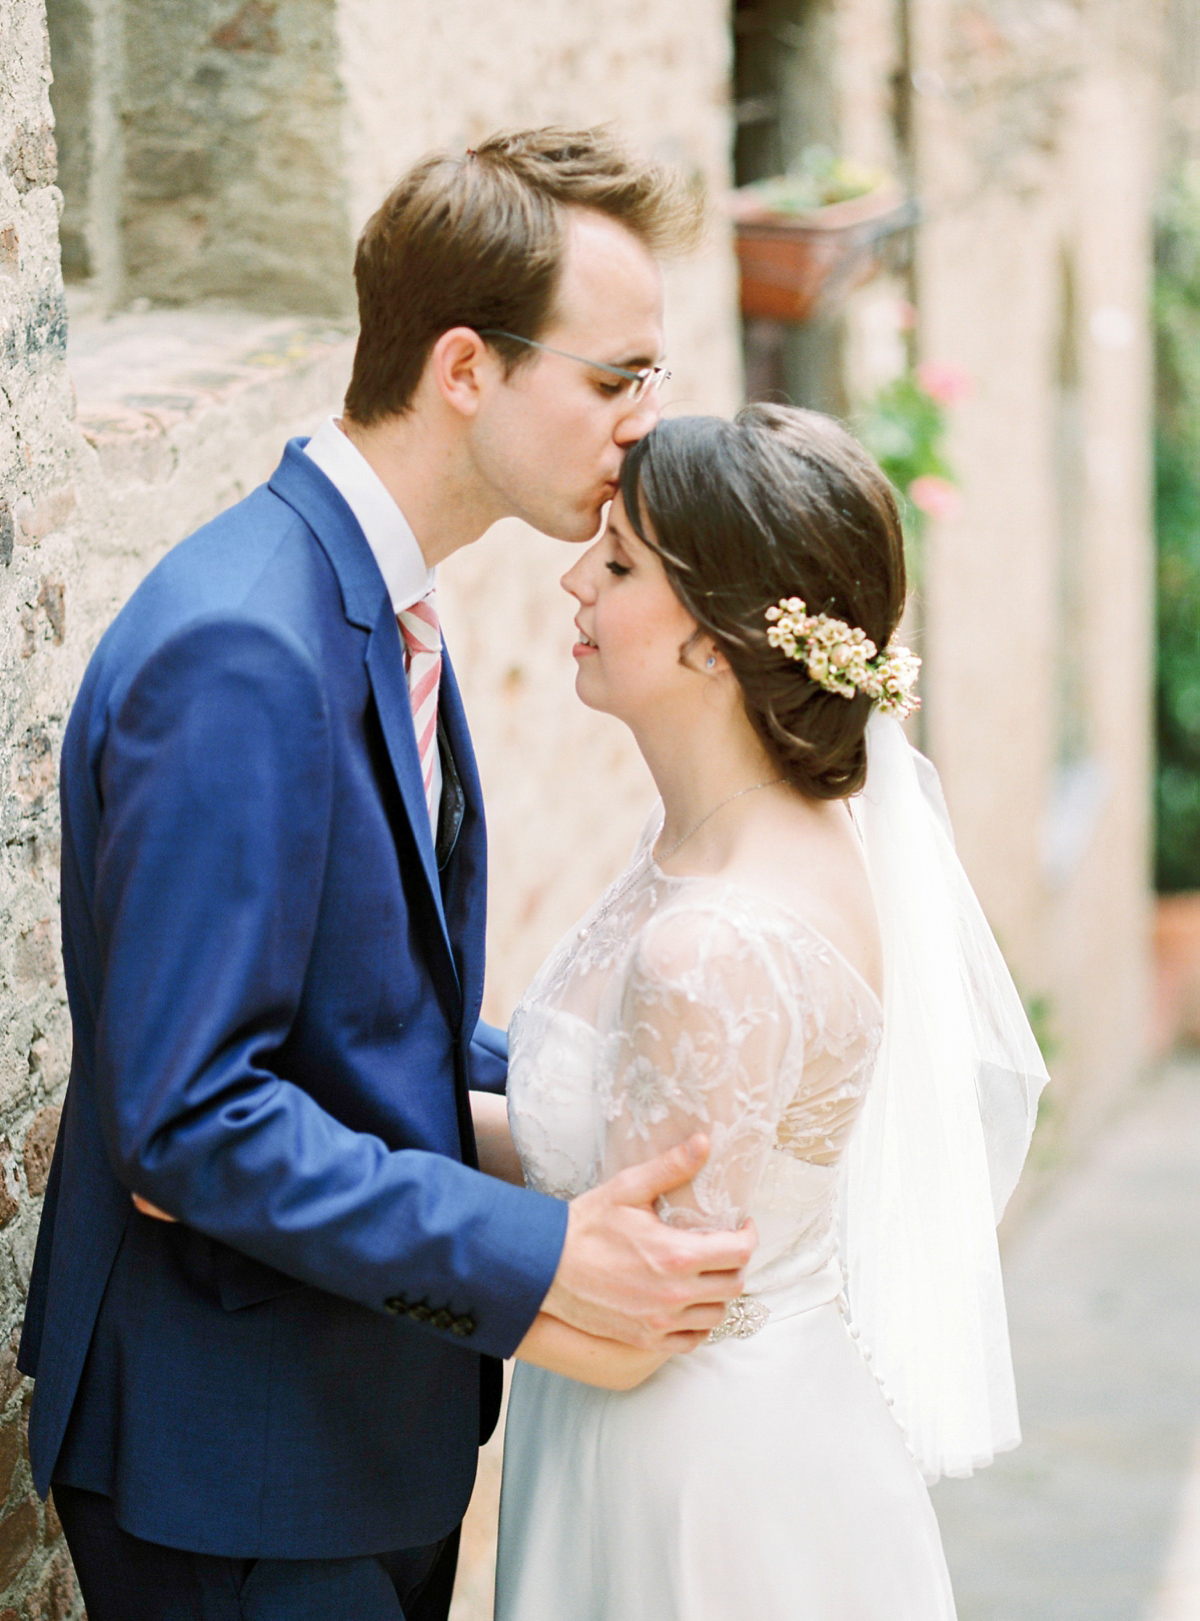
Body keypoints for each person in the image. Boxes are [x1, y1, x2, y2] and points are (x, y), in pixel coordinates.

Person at [17, 129, 758, 1621]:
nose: (646, 422)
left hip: (362, 1435)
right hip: (232, 1466)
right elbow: (191, 1118)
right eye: (616, 378)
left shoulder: (379, 609)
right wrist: (539, 1255)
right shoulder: (244, 644)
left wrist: (599, 1084)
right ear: (468, 367)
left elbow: (360, 1011)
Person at [492, 405, 1050, 1620]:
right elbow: (597, 1146)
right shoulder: (726, 839)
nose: (576, 574)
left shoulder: (714, 947)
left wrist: (367, 1258)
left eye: (623, 562)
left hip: (694, 1484)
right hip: (716, 1425)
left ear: (716, 642)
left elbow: (644, 1318)